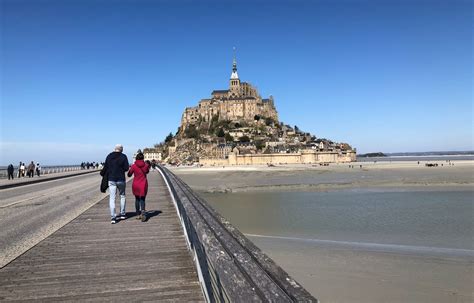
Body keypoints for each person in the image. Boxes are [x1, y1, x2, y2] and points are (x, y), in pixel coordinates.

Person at [103, 144, 129, 224]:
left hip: (111, 179)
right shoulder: (124, 156)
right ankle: (122, 214)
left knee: (112, 198)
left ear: (115, 149)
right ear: (121, 149)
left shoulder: (109, 156)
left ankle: (113, 217)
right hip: (121, 179)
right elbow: (126, 168)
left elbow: (106, 167)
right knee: (122, 196)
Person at [128, 152, 150, 222]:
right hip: (143, 184)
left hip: (135, 184)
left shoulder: (134, 166)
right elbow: (147, 172)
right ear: (143, 158)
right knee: (142, 199)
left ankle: (137, 214)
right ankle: (143, 212)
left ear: (136, 158)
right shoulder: (145, 165)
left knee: (137, 199)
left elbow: (129, 174)